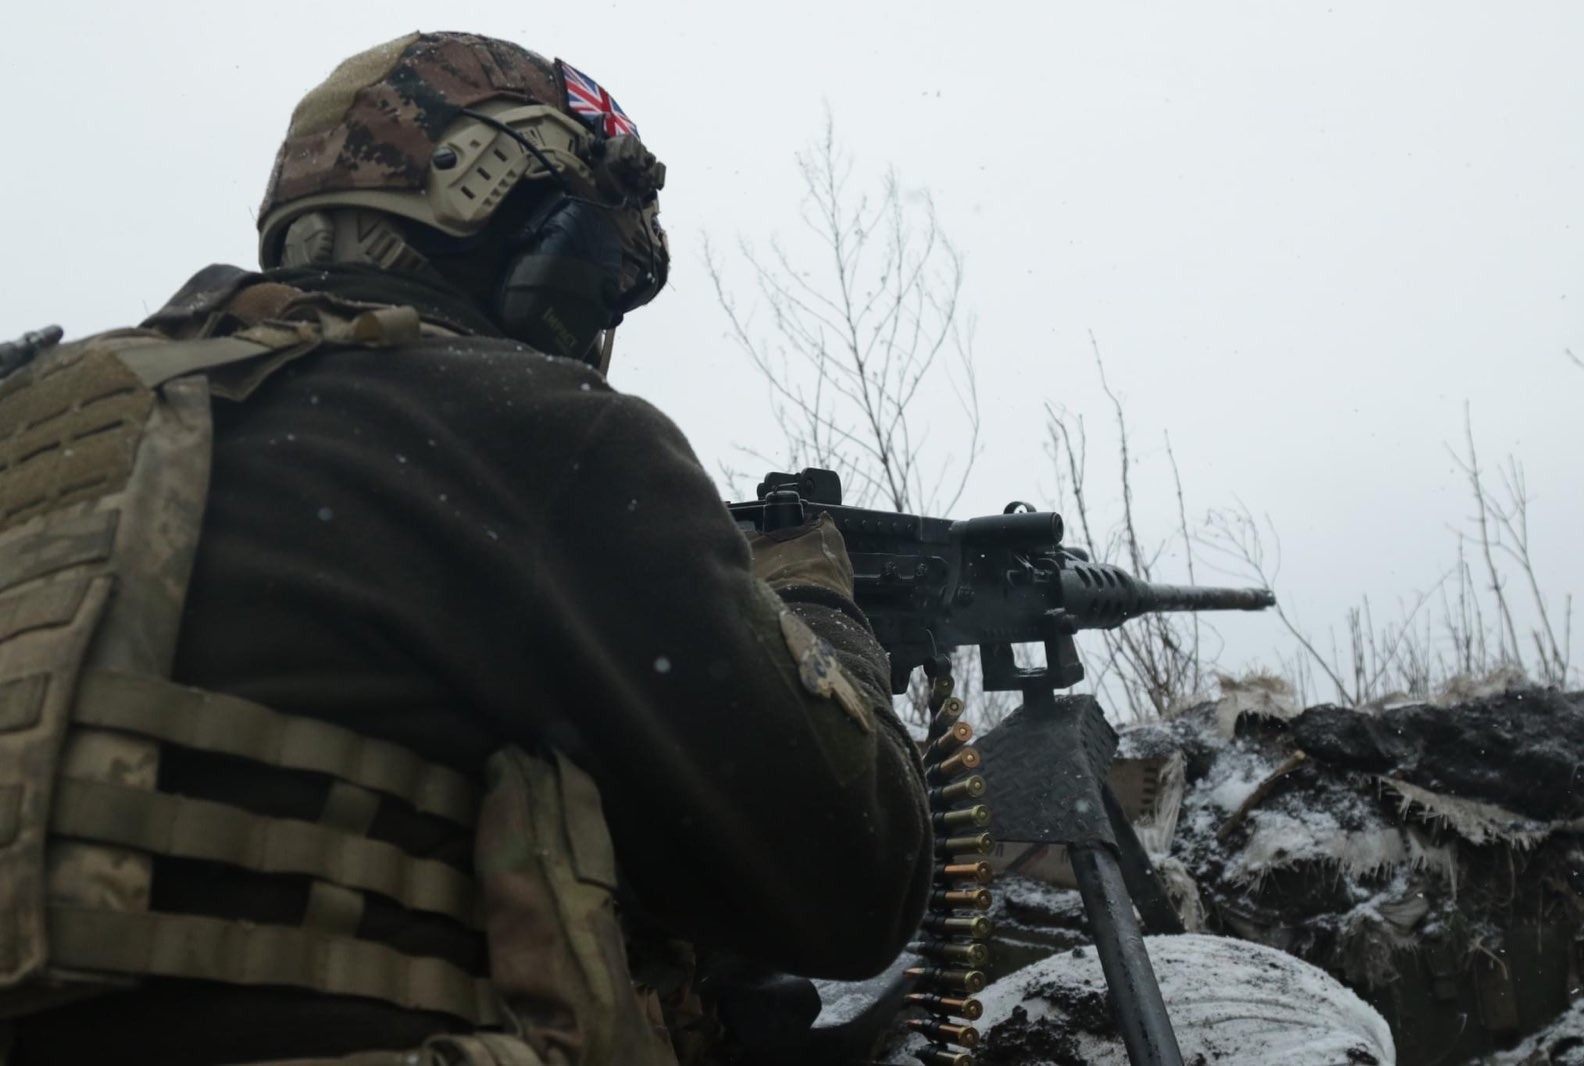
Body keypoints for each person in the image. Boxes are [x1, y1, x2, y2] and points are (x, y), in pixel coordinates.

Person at [0, 31, 932, 1066]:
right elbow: (858, 882)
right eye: (602, 275)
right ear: (524, 228)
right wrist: (816, 604)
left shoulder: (33, 422)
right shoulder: (528, 430)